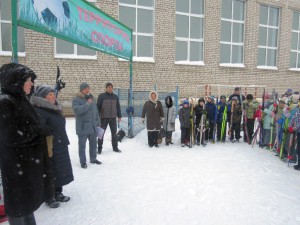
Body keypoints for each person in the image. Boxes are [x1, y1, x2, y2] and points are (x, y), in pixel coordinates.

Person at [0, 63, 53, 225]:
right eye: (28, 80)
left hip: (25, 168)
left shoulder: (20, 100)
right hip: (17, 171)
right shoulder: (5, 103)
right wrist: (39, 130)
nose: (32, 84)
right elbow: (11, 135)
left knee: (26, 209)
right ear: (16, 81)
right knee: (19, 211)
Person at [31, 85, 74, 207]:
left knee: (59, 170)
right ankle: (49, 197)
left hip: (60, 143)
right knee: (50, 170)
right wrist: (50, 132)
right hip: (48, 145)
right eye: (50, 94)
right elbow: (41, 128)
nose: (53, 96)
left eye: (53, 94)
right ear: (43, 97)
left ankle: (58, 192)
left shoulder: (54, 108)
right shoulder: (39, 109)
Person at [72, 83, 101, 168]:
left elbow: (95, 111)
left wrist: (98, 122)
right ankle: (83, 161)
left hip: (93, 126)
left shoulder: (91, 98)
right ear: (81, 89)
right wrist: (87, 104)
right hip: (83, 127)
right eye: (85, 89)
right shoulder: (76, 100)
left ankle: (93, 158)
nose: (87, 90)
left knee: (93, 144)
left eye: (88, 88)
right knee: (82, 146)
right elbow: (78, 111)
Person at [97, 83, 122, 153]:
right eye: (108, 87)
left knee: (114, 134)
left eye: (111, 87)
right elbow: (97, 107)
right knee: (100, 134)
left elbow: (118, 107)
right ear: (106, 88)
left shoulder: (115, 97)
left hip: (113, 118)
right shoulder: (101, 96)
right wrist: (98, 117)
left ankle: (115, 147)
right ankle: (99, 148)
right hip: (104, 118)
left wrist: (119, 116)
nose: (110, 88)